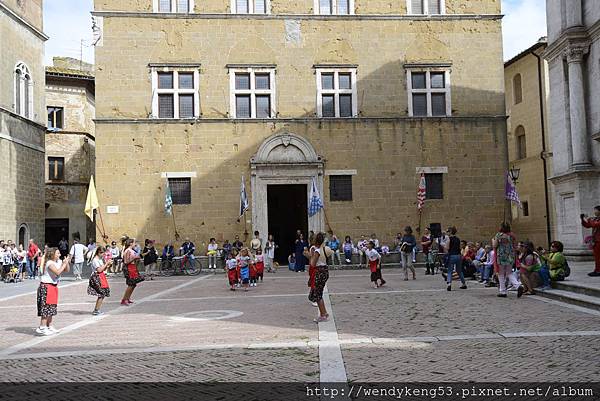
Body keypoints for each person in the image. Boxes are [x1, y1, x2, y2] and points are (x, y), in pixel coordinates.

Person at [36, 248, 71, 336]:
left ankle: (49, 326)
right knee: (46, 307)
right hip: (46, 286)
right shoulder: (49, 263)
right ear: (52, 254)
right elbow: (58, 272)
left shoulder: (58, 262)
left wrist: (66, 263)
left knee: (51, 307)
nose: (59, 254)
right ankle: (42, 327)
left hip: (53, 286)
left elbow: (66, 270)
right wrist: (64, 264)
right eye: (57, 253)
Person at [492, 222, 523, 298]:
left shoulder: (499, 235)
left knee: (501, 273)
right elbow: (514, 245)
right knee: (509, 272)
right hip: (510, 256)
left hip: (501, 256)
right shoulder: (512, 235)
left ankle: (502, 291)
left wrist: (493, 240)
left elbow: (495, 245)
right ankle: (517, 285)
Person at [307, 233, 333, 323]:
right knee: (318, 293)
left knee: (318, 294)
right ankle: (324, 312)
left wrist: (309, 255)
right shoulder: (317, 249)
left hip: (319, 272)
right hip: (324, 271)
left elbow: (312, 264)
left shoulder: (316, 250)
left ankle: (323, 314)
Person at [88, 246, 112, 315]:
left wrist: (108, 265)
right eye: (102, 253)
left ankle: (97, 309)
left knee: (102, 293)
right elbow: (99, 270)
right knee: (101, 293)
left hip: (101, 276)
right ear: (99, 252)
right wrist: (107, 263)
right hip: (97, 277)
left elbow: (103, 269)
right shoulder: (95, 260)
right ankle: (96, 310)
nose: (103, 255)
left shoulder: (100, 259)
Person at [121, 238, 144, 305]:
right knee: (130, 285)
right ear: (130, 243)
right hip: (129, 268)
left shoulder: (131, 250)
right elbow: (126, 261)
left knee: (133, 284)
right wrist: (134, 258)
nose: (135, 244)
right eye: (134, 243)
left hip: (133, 267)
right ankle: (124, 299)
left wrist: (137, 259)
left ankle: (127, 298)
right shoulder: (128, 250)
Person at [445, 226, 467, 291]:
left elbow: (447, 248)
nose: (447, 233)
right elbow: (459, 247)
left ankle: (449, 284)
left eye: (448, 231)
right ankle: (463, 283)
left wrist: (444, 246)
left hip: (452, 255)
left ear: (451, 232)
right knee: (459, 271)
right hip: (458, 255)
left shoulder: (449, 239)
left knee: (450, 271)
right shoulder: (458, 239)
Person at [581, 206, 600, 277]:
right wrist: (582, 219)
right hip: (596, 241)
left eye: (596, 210)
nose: (594, 212)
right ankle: (597, 270)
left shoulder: (596, 220)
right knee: (597, 257)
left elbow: (594, 224)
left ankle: (598, 271)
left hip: (599, 240)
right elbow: (587, 225)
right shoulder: (595, 219)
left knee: (598, 257)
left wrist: (588, 219)